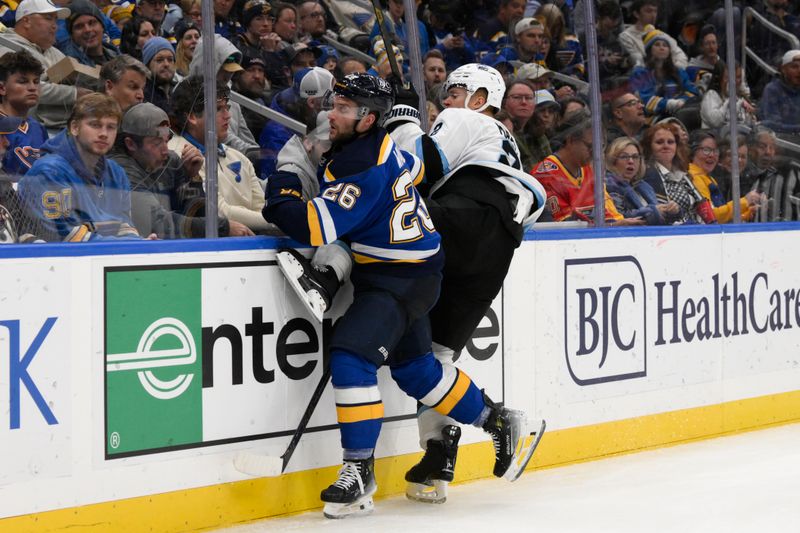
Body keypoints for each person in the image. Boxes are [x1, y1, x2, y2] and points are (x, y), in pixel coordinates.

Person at [263, 72, 540, 518]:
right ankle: (499, 421)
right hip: (419, 266)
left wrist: (282, 191)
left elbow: (314, 225)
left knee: (352, 358)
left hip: (399, 277)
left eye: (343, 109)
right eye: (334, 105)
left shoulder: (364, 162)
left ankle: (358, 471)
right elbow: (412, 170)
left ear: (369, 118)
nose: (331, 114)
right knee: (416, 371)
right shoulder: (381, 146)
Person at [381, 63, 547, 502]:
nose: (447, 100)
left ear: (479, 98)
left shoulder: (465, 119)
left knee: (379, 217)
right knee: (436, 355)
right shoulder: (502, 139)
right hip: (497, 247)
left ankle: (326, 271)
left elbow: (420, 171)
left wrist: (402, 118)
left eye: (456, 91)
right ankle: (437, 458)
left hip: (466, 216)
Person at [109, 102, 254, 238]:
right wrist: (223, 227)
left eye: (166, 141)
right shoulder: (118, 169)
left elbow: (198, 211)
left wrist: (193, 178)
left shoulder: (169, 160)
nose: (166, 150)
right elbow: (157, 224)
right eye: (156, 143)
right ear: (131, 144)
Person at [18, 93, 147, 241]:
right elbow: (67, 238)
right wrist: (133, 245)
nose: (104, 134)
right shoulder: (49, 172)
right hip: (53, 261)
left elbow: (124, 227)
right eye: (95, 125)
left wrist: (140, 243)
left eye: (111, 127)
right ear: (74, 128)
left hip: (104, 258)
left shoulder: (116, 173)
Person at [169, 76, 274, 234]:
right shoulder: (179, 155)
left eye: (227, 108)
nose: (228, 116)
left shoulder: (239, 157)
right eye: (218, 109)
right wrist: (276, 223)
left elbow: (261, 207)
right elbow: (219, 212)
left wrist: (273, 221)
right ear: (192, 117)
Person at [0, 0, 94, 131]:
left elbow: (59, 75)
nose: (55, 26)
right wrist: (74, 93)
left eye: (55, 20)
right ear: (26, 21)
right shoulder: (5, 47)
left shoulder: (51, 50)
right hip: (25, 130)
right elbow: (27, 88)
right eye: (48, 18)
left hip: (62, 127)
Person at [532, 109, 630, 224]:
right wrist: (613, 226)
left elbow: (610, 215)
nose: (595, 153)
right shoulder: (545, 175)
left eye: (600, 147)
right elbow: (566, 226)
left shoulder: (588, 169)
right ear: (571, 140)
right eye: (590, 146)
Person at [188, 34, 259, 156]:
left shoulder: (231, 98)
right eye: (224, 69)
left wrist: (258, 153)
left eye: (231, 71)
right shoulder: (187, 93)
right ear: (209, 64)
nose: (227, 75)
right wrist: (246, 150)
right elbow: (216, 133)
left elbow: (245, 135)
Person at [258, 66, 333, 180]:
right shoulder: (276, 137)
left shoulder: (299, 113)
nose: (333, 107)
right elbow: (276, 183)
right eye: (329, 100)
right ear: (312, 102)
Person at [629, 26, 700, 126]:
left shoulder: (678, 71)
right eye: (657, 45)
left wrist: (682, 101)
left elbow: (693, 92)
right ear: (649, 50)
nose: (662, 47)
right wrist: (670, 104)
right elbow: (646, 101)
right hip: (653, 120)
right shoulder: (640, 73)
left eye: (665, 45)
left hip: (681, 114)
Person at [642, 122, 709, 225]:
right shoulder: (648, 175)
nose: (666, 146)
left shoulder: (684, 173)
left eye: (670, 142)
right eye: (659, 142)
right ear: (649, 146)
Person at [688, 130, 761, 223]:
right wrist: (745, 201)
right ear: (693, 152)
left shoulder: (708, 177)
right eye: (706, 150)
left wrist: (747, 213)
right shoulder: (694, 177)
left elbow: (721, 217)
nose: (712, 155)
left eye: (716, 151)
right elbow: (711, 217)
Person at [0, 51, 49, 176]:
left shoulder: (39, 128)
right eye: (23, 81)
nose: (33, 87)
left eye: (36, 81)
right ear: (2, 88)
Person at [605, 136, 672, 225]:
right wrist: (653, 211)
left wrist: (672, 210)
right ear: (613, 161)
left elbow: (661, 215)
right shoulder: (610, 186)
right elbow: (621, 218)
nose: (631, 161)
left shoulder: (643, 186)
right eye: (624, 156)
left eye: (635, 157)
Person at [0, 115, 42, 243]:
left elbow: (19, 224)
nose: (7, 143)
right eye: (1, 136)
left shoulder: (2, 180)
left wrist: (32, 241)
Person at [619, 0, 688, 69]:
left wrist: (672, 70)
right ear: (636, 14)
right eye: (648, 11)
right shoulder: (626, 36)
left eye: (655, 11)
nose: (653, 15)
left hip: (669, 74)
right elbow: (639, 61)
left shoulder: (661, 35)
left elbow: (681, 57)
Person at [700, 61, 756, 131]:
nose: (736, 81)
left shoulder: (740, 98)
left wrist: (750, 117)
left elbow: (745, 124)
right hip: (716, 137)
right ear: (721, 78)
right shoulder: (711, 96)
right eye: (729, 77)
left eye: (738, 77)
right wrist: (731, 100)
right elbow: (716, 122)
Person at [758, 50, 800, 142]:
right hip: (780, 143)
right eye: (794, 67)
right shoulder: (772, 90)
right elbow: (772, 125)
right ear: (783, 69)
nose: (799, 71)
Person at [141, 37, 176, 113]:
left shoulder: (180, 89)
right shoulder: (142, 95)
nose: (166, 64)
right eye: (159, 60)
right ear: (147, 65)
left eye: (170, 60)